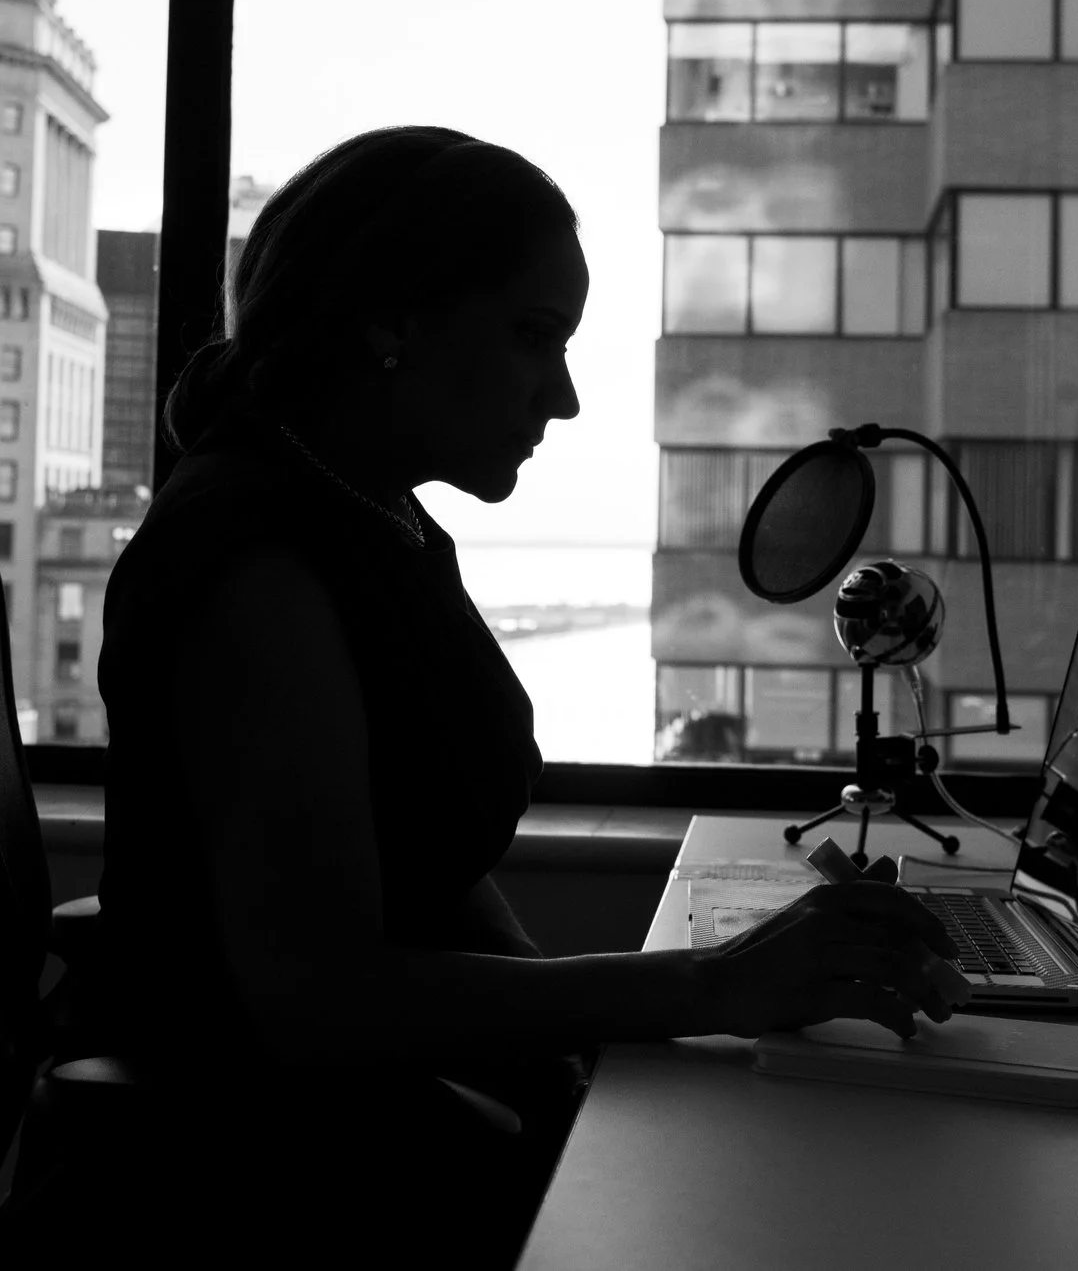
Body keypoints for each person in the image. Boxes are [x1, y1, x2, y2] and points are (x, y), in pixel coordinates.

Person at [81, 126, 962, 1264]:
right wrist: (706, 986)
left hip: (357, 1111)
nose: (566, 396)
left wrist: (573, 1051)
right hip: (262, 1170)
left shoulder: (368, 513)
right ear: (390, 321)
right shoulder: (256, 568)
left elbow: (424, 865)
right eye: (533, 336)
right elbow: (317, 1000)